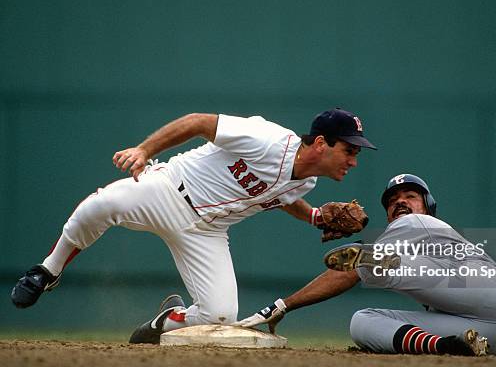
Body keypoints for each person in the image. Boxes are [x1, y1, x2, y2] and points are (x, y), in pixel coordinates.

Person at [10, 108, 376, 344]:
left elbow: (282, 198)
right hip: (170, 190)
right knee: (102, 205)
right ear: (322, 143)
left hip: (207, 233)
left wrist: (312, 216)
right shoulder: (267, 139)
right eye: (350, 151)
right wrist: (144, 150)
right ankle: (48, 270)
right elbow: (199, 122)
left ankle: (164, 321)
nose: (353, 161)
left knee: (220, 315)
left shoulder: (307, 183)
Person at [236, 174, 496, 356]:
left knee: (385, 248)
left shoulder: (421, 221)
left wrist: (286, 304)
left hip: (489, 288)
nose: (400, 202)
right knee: (363, 322)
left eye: (410, 197)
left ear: (429, 205)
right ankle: (446, 346)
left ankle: (370, 256)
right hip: (489, 332)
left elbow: (349, 273)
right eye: (393, 201)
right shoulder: (407, 245)